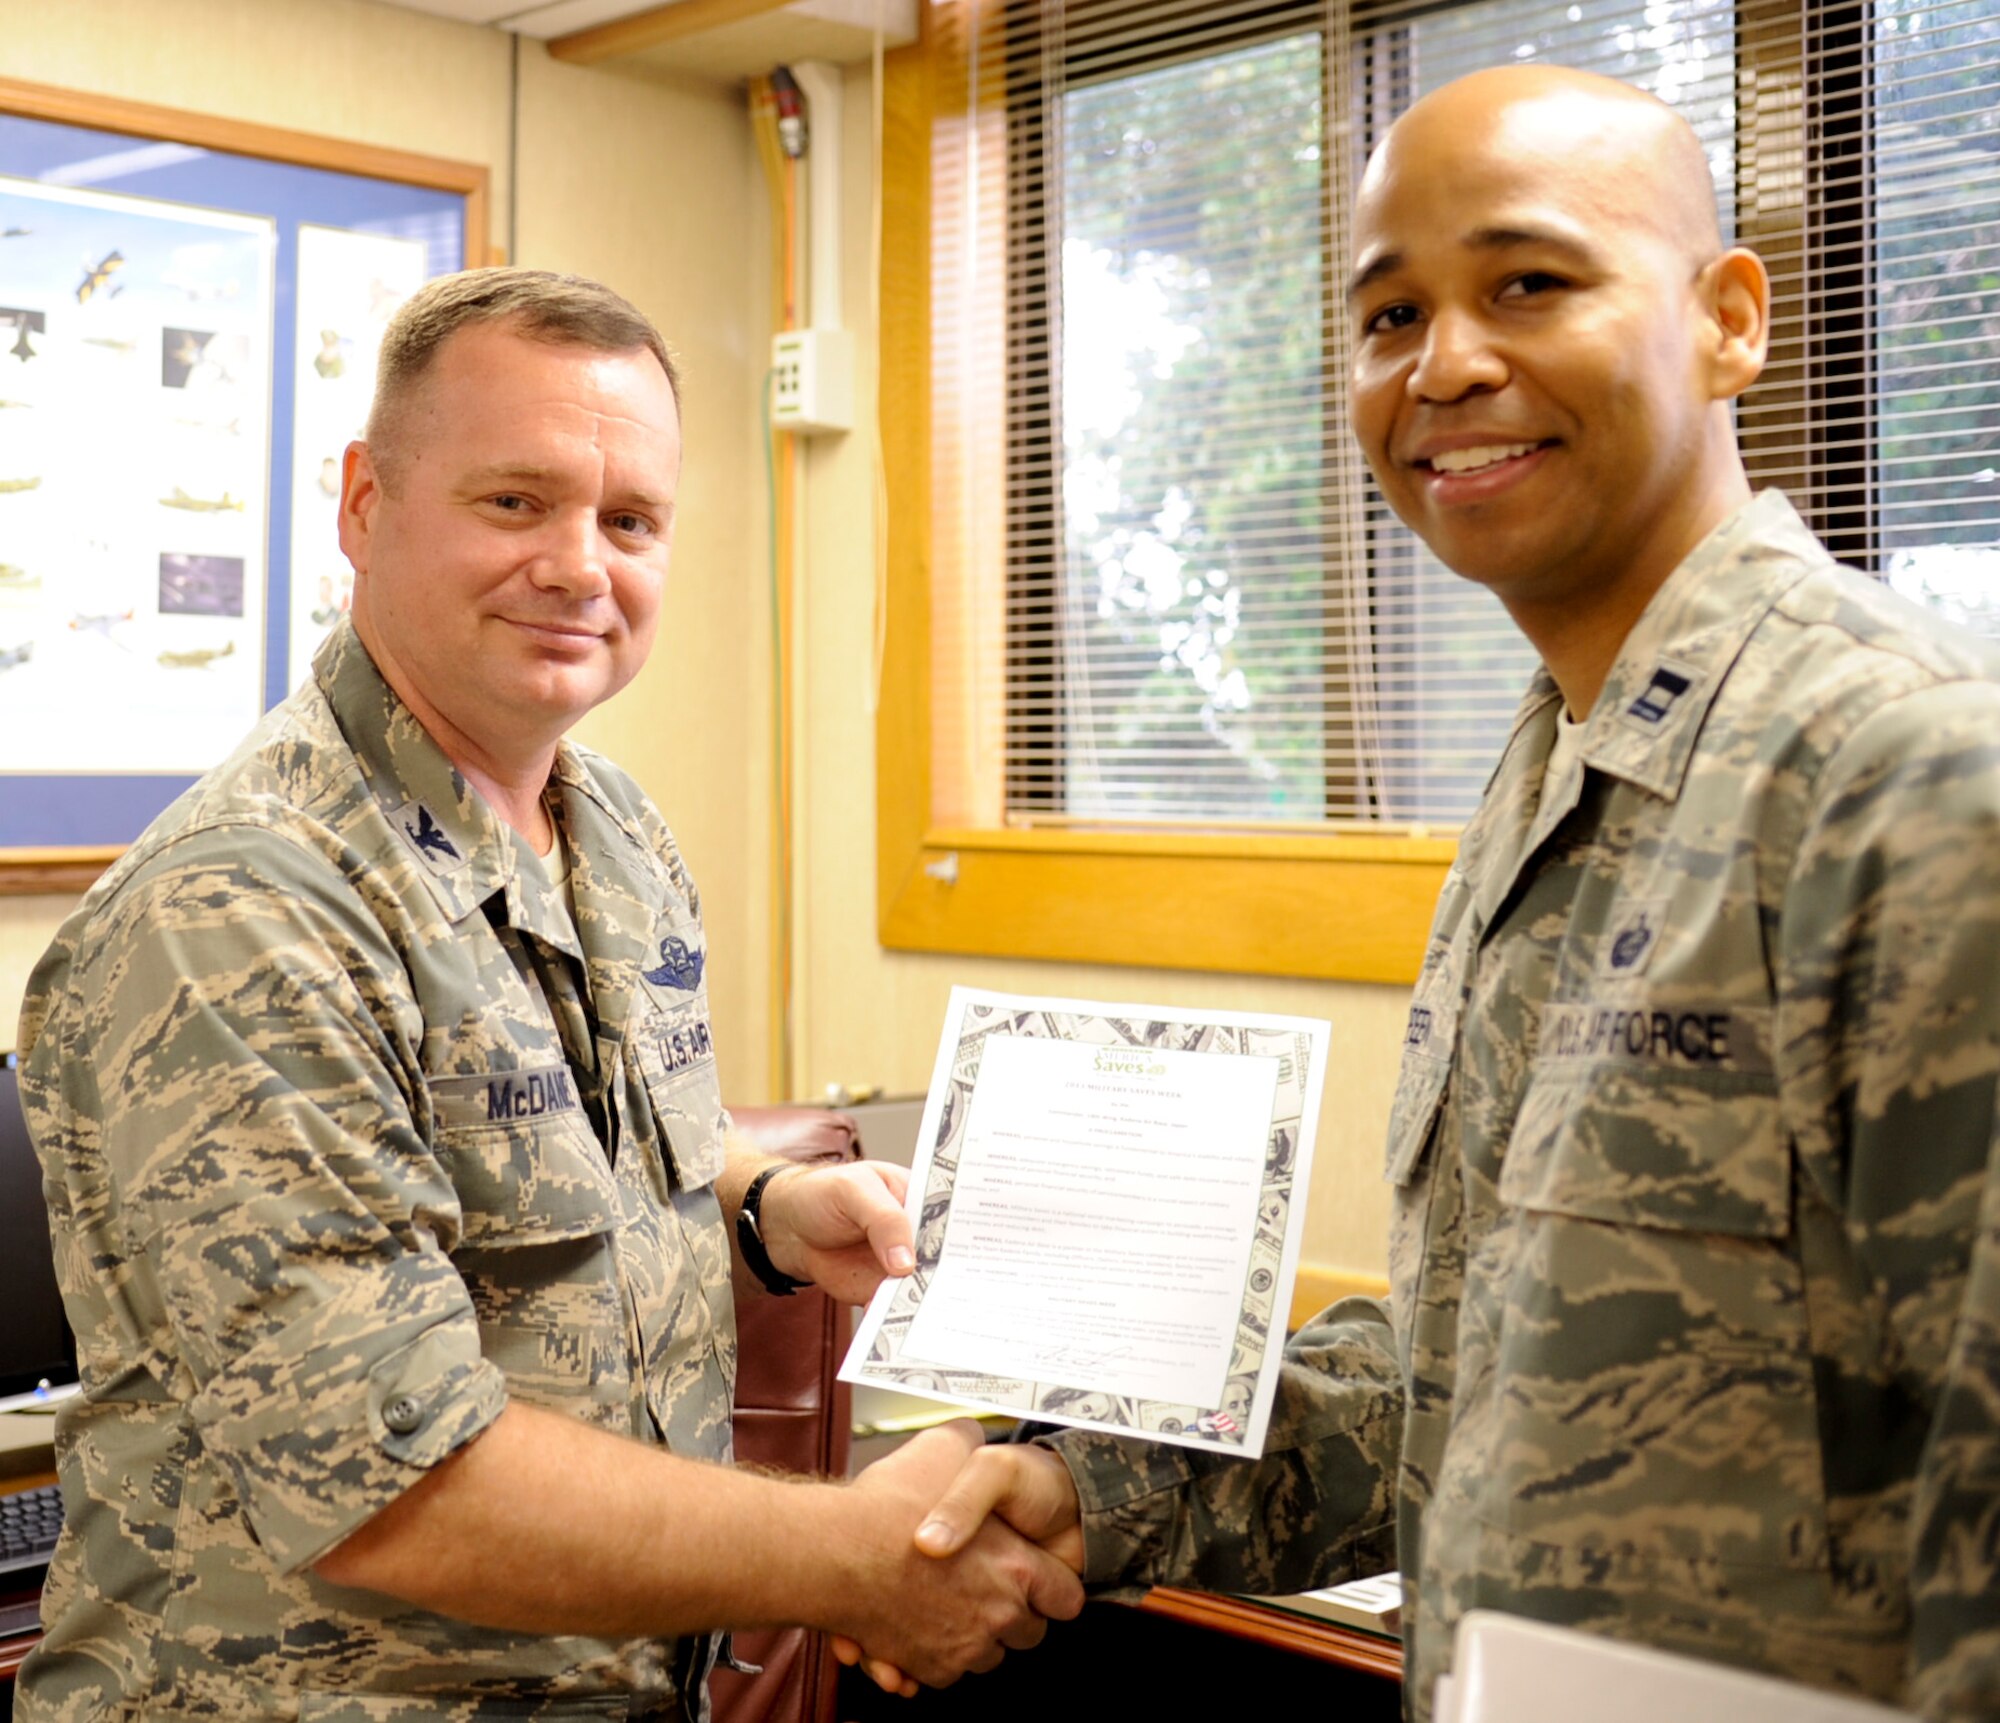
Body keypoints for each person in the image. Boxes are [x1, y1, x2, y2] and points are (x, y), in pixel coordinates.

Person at [895, 65, 2000, 1722]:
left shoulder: (1896, 774)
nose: (1448, 366)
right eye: (1390, 314)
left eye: (1530, 284)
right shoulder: (1556, 774)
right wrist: (1090, 1489)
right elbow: (1465, 1371)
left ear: (1730, 320)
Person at [14, 268, 1081, 1722]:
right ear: (364, 506)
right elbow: (400, 1486)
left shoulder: (616, 833)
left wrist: (766, 1207)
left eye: (631, 520)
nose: (582, 566)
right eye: (515, 503)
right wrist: (855, 1552)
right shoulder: (245, 911)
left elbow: (584, 1148)